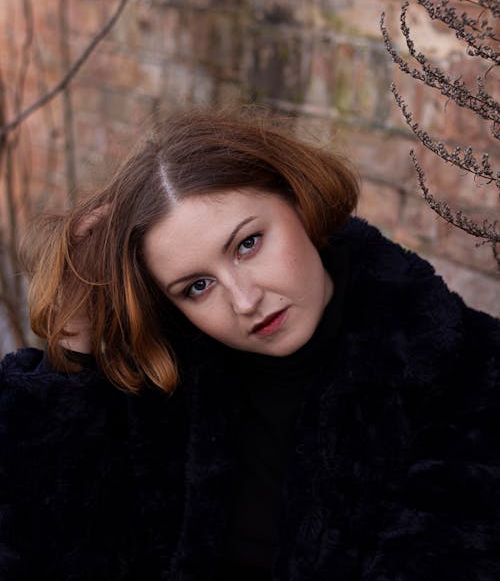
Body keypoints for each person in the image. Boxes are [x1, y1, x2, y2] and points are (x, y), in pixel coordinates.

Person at [1, 106, 499, 581]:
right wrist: (77, 346)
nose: (244, 300)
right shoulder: (165, 388)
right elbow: (44, 533)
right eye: (197, 286)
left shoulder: (465, 372)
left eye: (247, 244)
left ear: (297, 199)